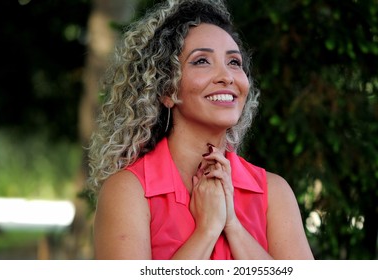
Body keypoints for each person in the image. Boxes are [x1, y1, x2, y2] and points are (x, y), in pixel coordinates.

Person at [87, 0, 314, 260]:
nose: (227, 76)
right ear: (167, 89)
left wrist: (233, 226)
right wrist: (206, 230)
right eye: (202, 61)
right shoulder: (129, 190)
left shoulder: (274, 192)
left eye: (234, 62)